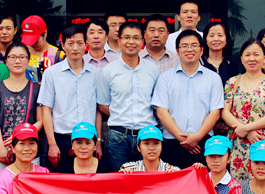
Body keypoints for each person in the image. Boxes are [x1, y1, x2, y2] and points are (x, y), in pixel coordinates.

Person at [152, 30, 223, 169]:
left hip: (203, 143)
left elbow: (215, 112)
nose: (189, 49)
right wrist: (182, 139)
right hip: (172, 143)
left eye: (194, 45)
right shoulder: (165, 78)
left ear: (201, 50)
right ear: (177, 51)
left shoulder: (213, 78)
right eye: (184, 46)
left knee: (201, 181)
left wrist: (197, 137)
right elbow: (161, 112)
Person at [97, 21, 160, 171]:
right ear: (119, 41)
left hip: (148, 136)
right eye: (126, 37)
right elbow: (102, 104)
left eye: (136, 38)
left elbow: (158, 103)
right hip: (118, 136)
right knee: (120, 180)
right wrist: (121, 112)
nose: (131, 42)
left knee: (147, 180)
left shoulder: (153, 70)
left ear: (142, 41)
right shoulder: (108, 71)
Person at [38, 24, 100, 172]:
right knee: (60, 181)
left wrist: (98, 142)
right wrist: (52, 144)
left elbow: (98, 109)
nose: (75, 48)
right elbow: (46, 110)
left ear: (86, 45)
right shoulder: (51, 73)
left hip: (88, 139)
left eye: (79, 43)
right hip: (61, 139)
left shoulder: (96, 73)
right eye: (70, 43)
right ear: (63, 46)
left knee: (87, 181)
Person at [222, 39, 265, 182]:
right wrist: (246, 131)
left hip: (263, 139)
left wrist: (246, 128)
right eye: (247, 55)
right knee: (239, 184)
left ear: (264, 58)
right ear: (241, 58)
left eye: (256, 54)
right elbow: (225, 112)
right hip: (239, 141)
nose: (252, 59)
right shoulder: (232, 82)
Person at [0, 43, 43, 174]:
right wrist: (1, 147)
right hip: (3, 150)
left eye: (22, 57)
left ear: (28, 60)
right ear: (6, 60)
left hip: (28, 150)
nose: (17, 61)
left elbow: (41, 120)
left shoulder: (36, 88)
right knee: (2, 185)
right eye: (12, 57)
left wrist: (20, 135)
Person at [21, 15, 64, 82]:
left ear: (45, 34)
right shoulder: (20, 53)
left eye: (35, 40)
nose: (31, 44)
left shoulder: (58, 55)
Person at [201, 21, 239, 85]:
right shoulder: (199, 64)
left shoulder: (232, 65)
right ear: (205, 40)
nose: (216, 39)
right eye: (211, 35)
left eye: (220, 35)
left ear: (226, 40)